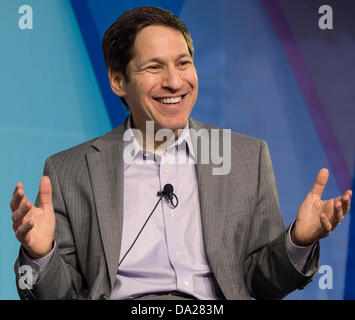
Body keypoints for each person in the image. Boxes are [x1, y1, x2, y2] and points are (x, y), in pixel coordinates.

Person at [11, 6, 352, 300]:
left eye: (183, 63)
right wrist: (41, 254)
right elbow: (60, 294)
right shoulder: (69, 170)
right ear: (118, 80)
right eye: (154, 67)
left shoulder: (245, 157)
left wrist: (299, 240)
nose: (175, 82)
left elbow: (262, 284)